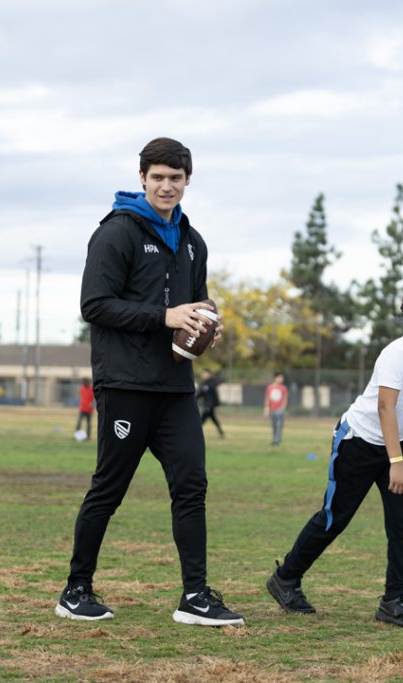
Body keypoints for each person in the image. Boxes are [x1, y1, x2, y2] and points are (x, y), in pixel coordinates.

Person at [55, 137, 243, 626]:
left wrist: (205, 325)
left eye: (175, 178)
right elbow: (93, 306)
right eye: (157, 176)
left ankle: (195, 596)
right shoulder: (116, 233)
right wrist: (165, 316)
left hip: (176, 387)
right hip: (125, 384)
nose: (166, 185)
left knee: (191, 485)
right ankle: (76, 590)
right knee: (109, 488)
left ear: (187, 182)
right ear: (142, 178)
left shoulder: (193, 241)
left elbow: (195, 305)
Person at [266, 283, 403, 627]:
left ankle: (393, 602)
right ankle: (286, 578)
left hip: (398, 444)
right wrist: (395, 463)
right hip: (360, 441)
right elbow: (385, 408)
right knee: (334, 517)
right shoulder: (397, 353)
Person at [196, 369, 224, 438]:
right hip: (207, 405)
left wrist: (212, 405)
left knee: (201, 420)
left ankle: (196, 433)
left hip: (209, 406)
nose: (203, 375)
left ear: (209, 374)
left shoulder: (211, 384)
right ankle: (221, 433)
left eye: (205, 374)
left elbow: (214, 396)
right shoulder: (204, 383)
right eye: (203, 374)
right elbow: (200, 394)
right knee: (214, 419)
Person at [264, 373, 288, 446]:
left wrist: (283, 408)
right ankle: (275, 439)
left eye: (282, 378)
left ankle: (276, 441)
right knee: (274, 425)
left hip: (280, 409)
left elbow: (285, 399)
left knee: (278, 424)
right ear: (275, 378)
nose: (281, 379)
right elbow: (267, 398)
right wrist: (266, 408)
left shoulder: (283, 388)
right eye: (280, 378)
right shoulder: (270, 387)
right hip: (272, 409)